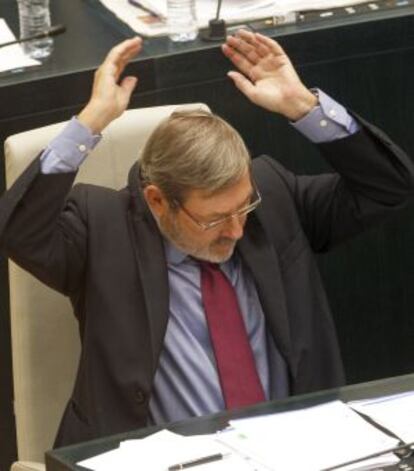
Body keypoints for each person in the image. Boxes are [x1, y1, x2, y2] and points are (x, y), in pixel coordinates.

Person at [1, 31, 413, 447]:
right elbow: (21, 233)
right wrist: (90, 123)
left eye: (243, 208)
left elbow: (388, 188)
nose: (236, 230)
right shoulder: (103, 227)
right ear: (159, 201)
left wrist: (304, 107)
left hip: (297, 450)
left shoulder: (273, 196)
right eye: (214, 220)